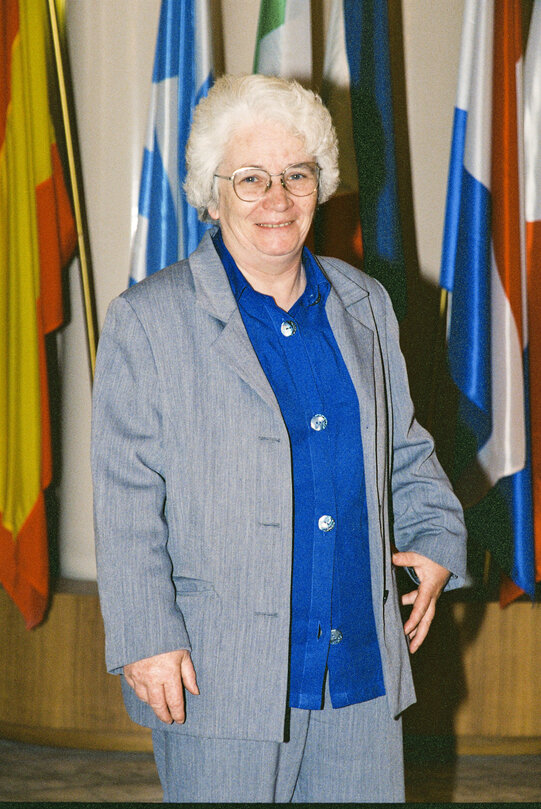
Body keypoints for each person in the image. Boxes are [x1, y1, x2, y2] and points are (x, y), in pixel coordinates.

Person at [91, 74, 466, 803]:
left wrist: (435, 535)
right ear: (210, 191)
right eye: (251, 178)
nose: (277, 199)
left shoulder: (365, 303)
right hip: (219, 669)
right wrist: (144, 636)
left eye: (296, 175)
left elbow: (404, 448)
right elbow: (126, 495)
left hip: (358, 664)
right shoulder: (149, 319)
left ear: (319, 184)